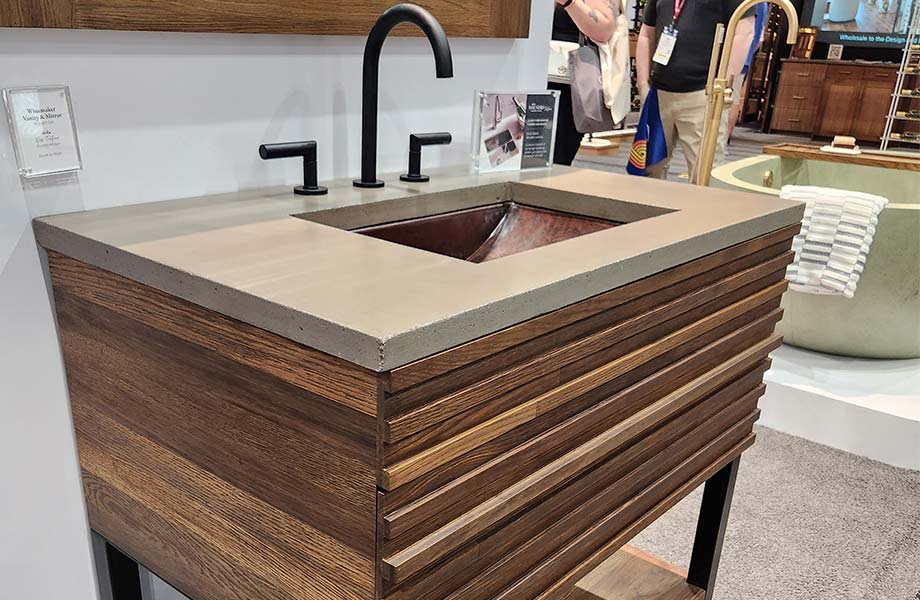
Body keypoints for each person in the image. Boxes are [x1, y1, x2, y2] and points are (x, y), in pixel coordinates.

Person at [636, 0, 755, 181]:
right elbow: (647, 33)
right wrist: (643, 83)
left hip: (703, 94)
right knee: (648, 169)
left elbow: (744, 33)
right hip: (659, 93)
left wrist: (722, 85)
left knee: (705, 174)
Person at [549, 0, 619, 166]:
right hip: (526, 73)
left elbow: (604, 30)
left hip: (570, 85)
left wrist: (569, 3)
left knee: (556, 158)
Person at [727, 2, 769, 140]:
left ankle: (721, 138)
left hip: (731, 56)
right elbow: (760, 39)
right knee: (732, 98)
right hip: (744, 57)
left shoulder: (750, 3)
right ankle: (724, 138)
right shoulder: (763, 4)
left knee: (727, 99)